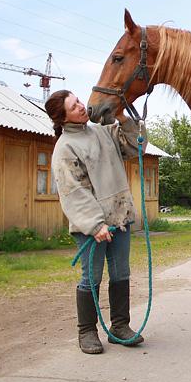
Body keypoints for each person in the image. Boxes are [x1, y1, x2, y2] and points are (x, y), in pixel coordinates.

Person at [45, 89, 145, 354]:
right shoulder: (65, 148)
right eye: (73, 105)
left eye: (78, 101)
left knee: (121, 273)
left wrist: (125, 120)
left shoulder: (103, 132)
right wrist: (95, 224)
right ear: (62, 117)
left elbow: (137, 147)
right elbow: (72, 191)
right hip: (92, 227)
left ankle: (120, 327)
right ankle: (87, 332)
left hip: (119, 218)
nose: (81, 106)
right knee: (91, 277)